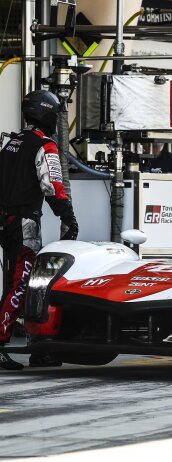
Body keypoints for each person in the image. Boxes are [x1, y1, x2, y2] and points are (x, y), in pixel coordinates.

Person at [0, 90, 79, 370]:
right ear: (46, 114)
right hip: (24, 223)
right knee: (24, 283)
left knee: (14, 281)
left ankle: (37, 347)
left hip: (6, 221)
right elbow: (53, 187)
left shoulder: (11, 143)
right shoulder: (44, 146)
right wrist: (69, 218)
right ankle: (7, 343)